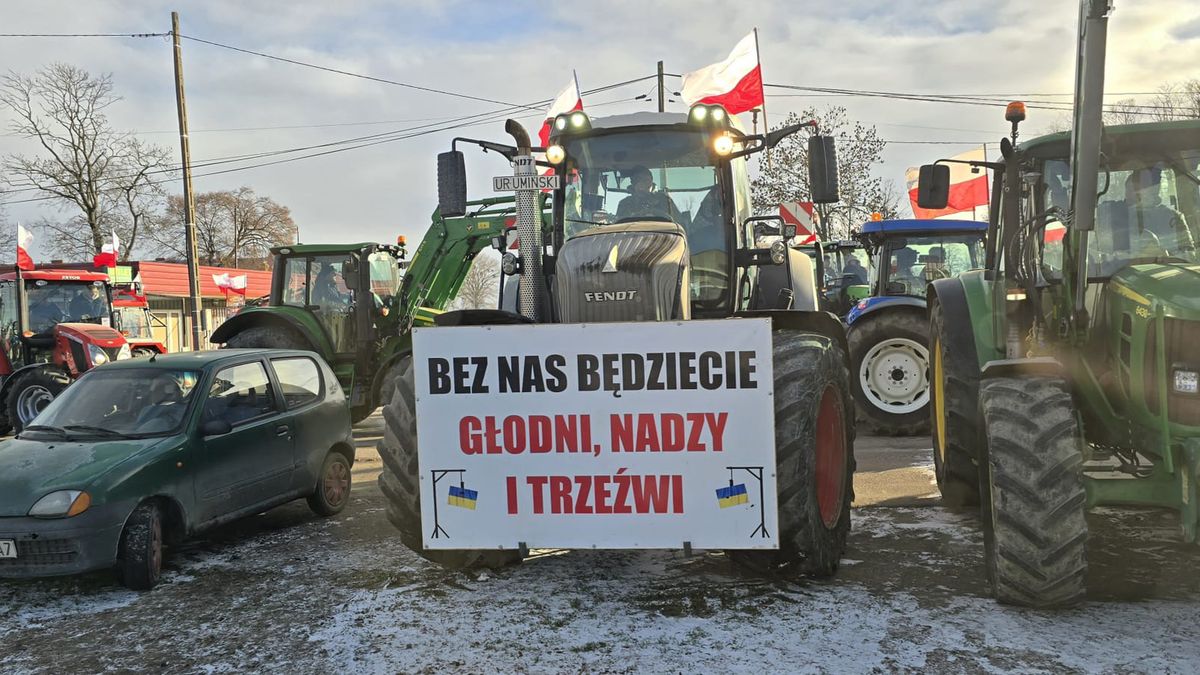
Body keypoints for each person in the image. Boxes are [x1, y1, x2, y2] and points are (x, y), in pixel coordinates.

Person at [615, 166, 681, 223]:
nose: (642, 183)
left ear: (651, 181)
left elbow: (679, 224)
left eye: (646, 180)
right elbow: (618, 228)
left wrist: (657, 213)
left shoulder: (664, 200)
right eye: (638, 180)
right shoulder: (625, 203)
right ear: (633, 183)